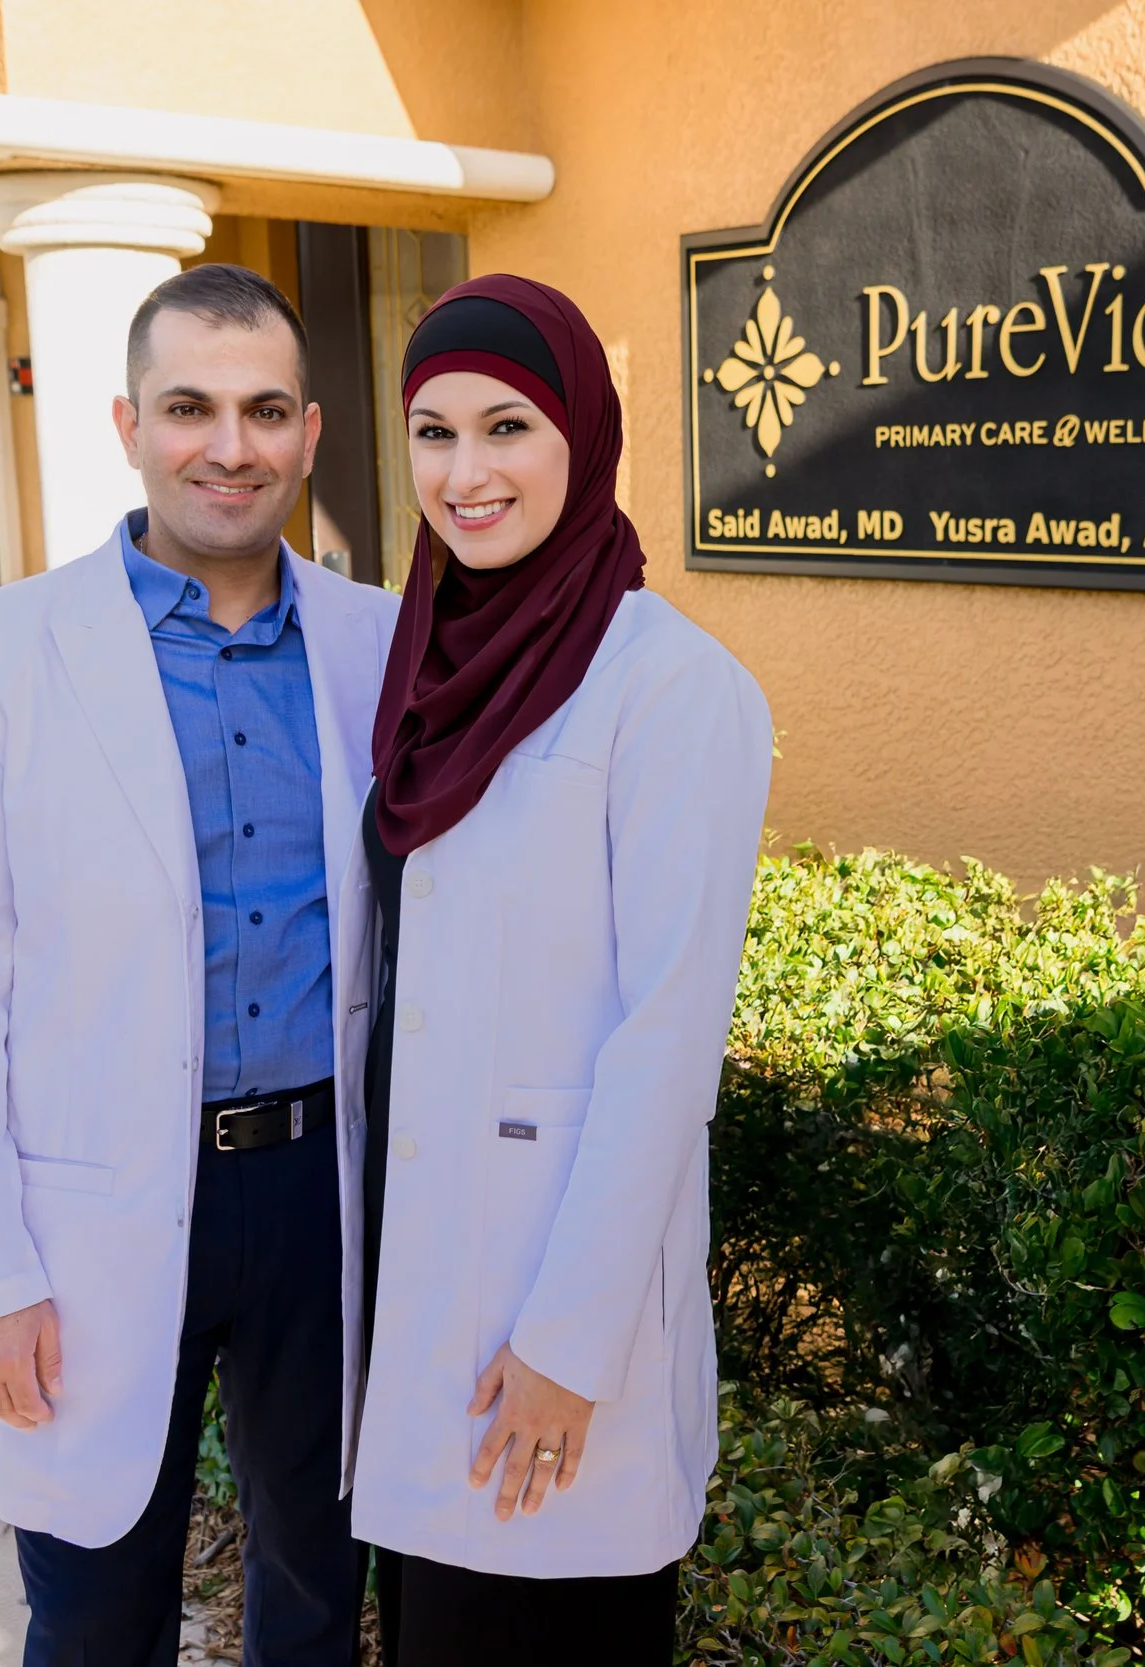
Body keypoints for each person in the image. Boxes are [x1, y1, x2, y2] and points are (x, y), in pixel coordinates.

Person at [0, 263, 398, 1666]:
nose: (229, 445)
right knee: (97, 1609)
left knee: (317, 1584)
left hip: (320, 1191)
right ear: (127, 423)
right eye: (190, 407)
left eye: (264, 410)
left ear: (308, 432)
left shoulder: (383, 640)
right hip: (92, 1204)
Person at [347, 275, 772, 1662]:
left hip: (541, 1326)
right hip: (423, 1298)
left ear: (583, 435)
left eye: (507, 426)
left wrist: (568, 1343)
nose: (464, 474)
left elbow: (665, 1043)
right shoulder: (422, 664)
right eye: (433, 431)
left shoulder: (673, 688)